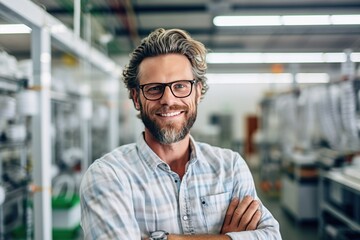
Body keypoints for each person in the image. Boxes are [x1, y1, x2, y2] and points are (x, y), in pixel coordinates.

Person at [80, 28, 281, 240]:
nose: (168, 100)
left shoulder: (229, 167)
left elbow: (271, 236)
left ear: (197, 92)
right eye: (154, 88)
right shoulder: (108, 176)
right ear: (136, 98)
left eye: (180, 86)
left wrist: (170, 239)